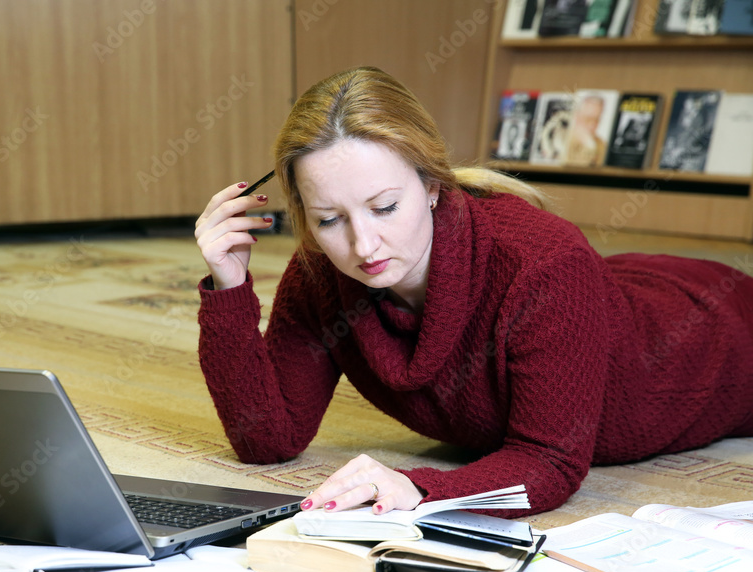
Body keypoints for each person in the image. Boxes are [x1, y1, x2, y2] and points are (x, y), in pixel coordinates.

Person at [193, 66, 753, 519]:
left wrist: (419, 488)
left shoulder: (546, 265)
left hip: (711, 339)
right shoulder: (319, 271)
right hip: (609, 290)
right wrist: (228, 286)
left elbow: (551, 461)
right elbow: (266, 439)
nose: (363, 244)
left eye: (385, 207)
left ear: (432, 185)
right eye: (329, 218)